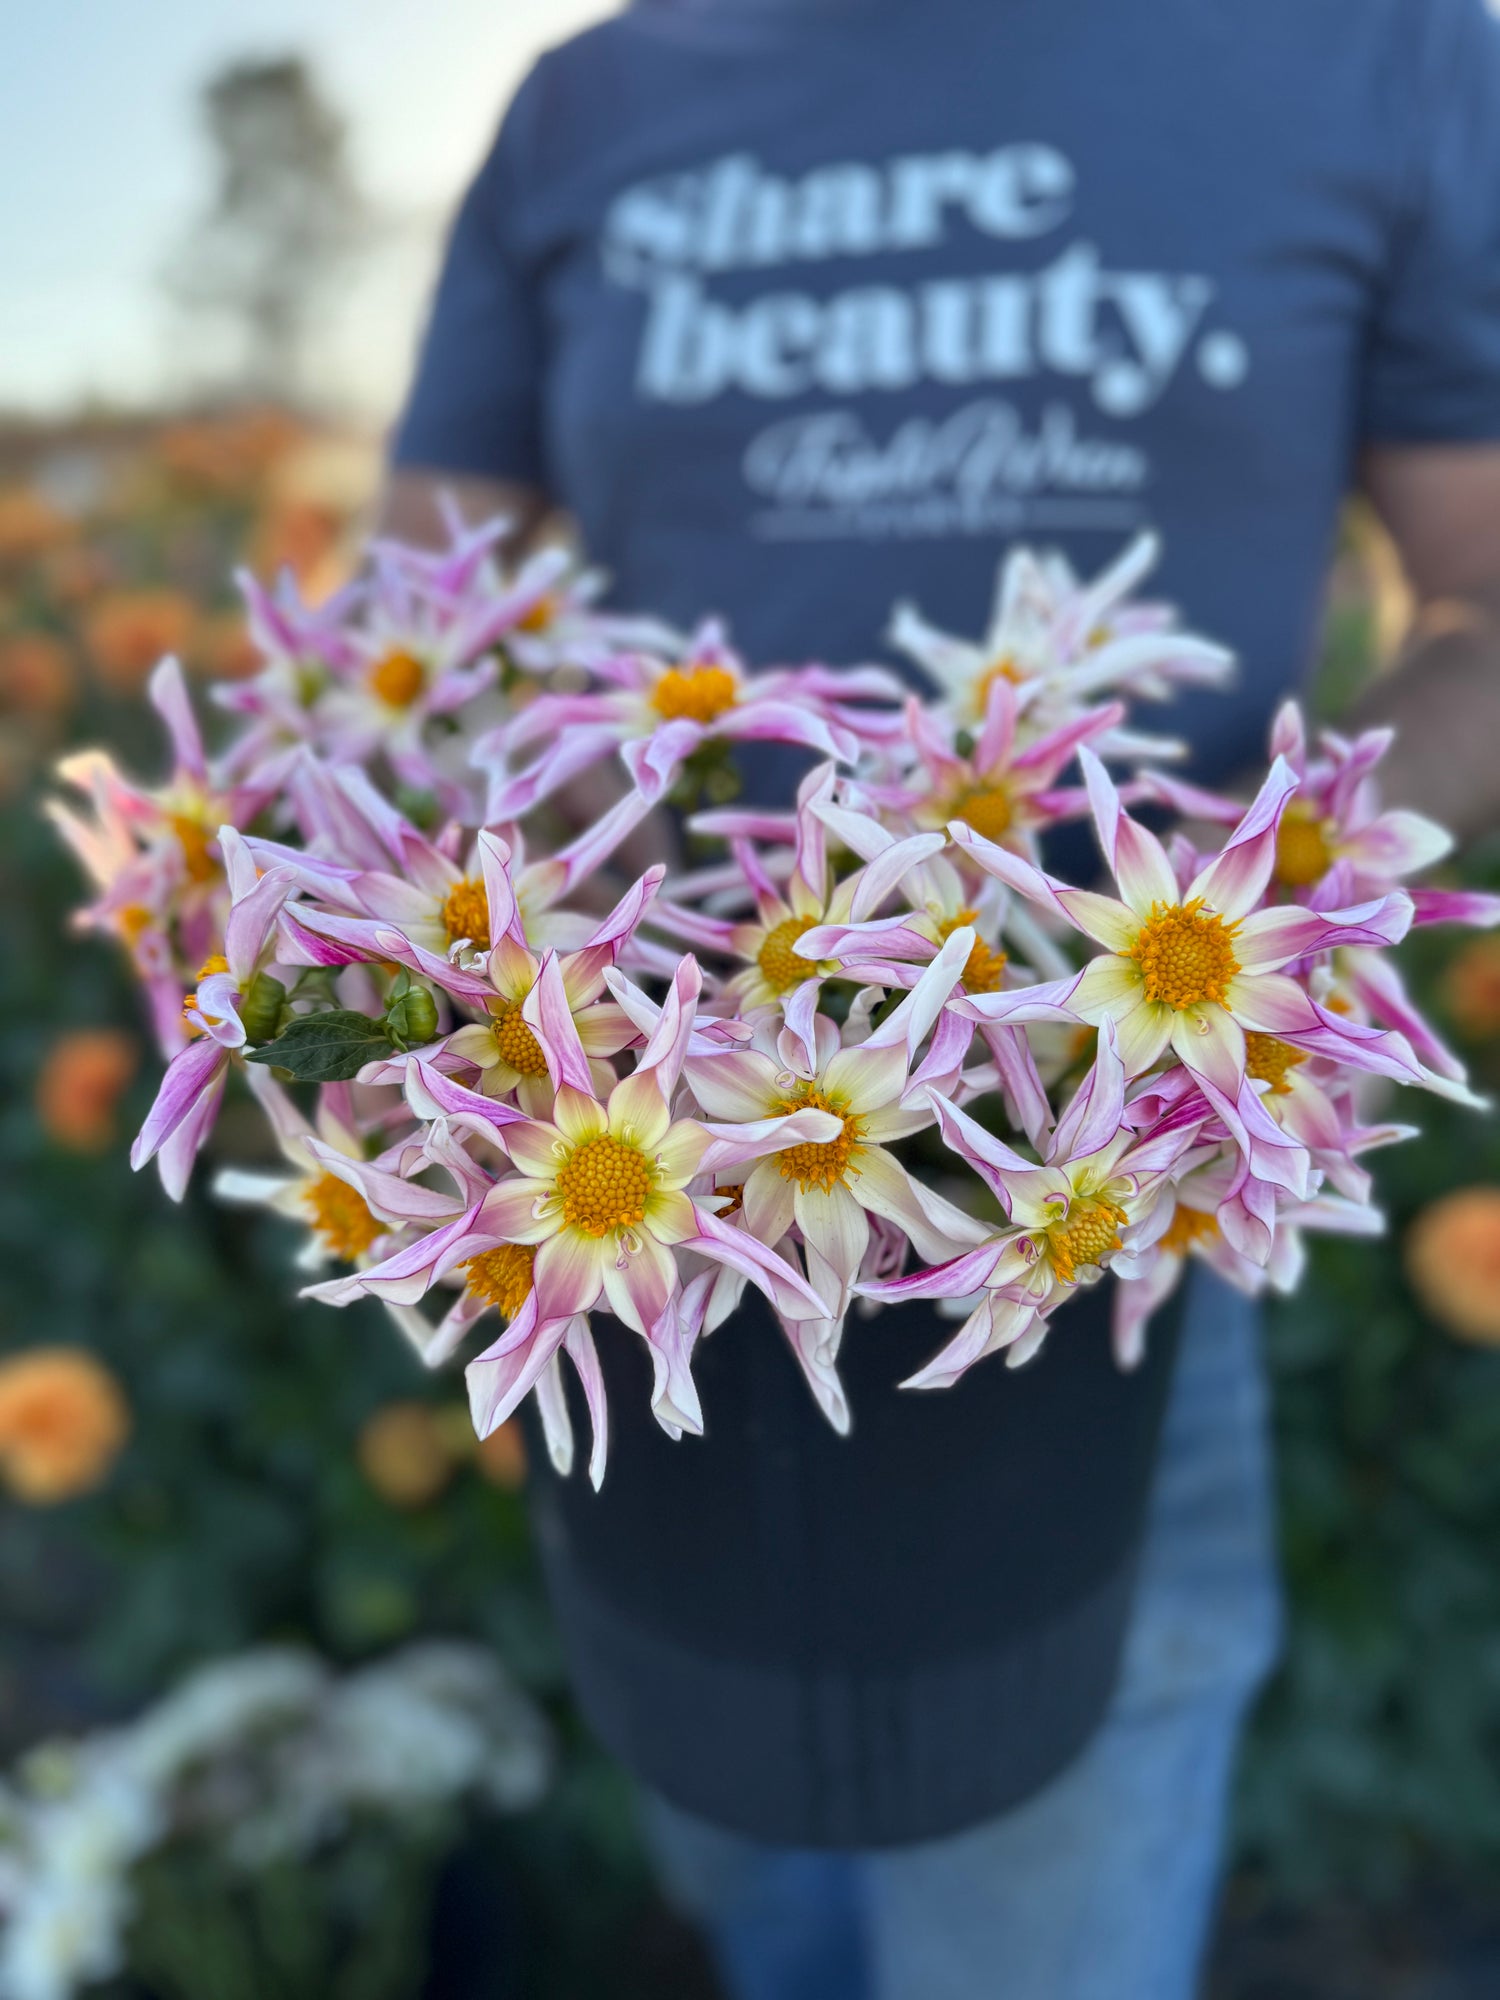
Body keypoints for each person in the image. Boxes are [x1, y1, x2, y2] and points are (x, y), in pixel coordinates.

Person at [383, 1, 1500, 1993]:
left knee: (1048, 1899)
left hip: (1118, 1195)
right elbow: (410, 622)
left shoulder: (1377, 56)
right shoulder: (583, 108)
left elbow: (1487, 599)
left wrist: (1266, 894)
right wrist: (464, 909)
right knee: (739, 1855)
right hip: (624, 1194)